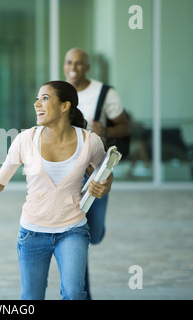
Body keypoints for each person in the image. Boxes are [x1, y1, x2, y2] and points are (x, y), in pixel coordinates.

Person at [0, 81, 113, 300]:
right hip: (32, 233)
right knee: (31, 299)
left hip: (72, 229)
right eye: (37, 98)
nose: (36, 104)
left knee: (74, 293)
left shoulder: (90, 142)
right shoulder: (25, 140)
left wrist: (103, 186)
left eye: (44, 98)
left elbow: (105, 174)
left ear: (65, 106)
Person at [63, 47, 131, 299]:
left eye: (79, 63)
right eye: (69, 62)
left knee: (95, 233)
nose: (74, 67)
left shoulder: (105, 93)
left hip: (96, 172)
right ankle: (81, 294)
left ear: (88, 67)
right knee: (76, 234)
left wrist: (107, 131)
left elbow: (125, 127)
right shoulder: (59, 92)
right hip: (67, 172)